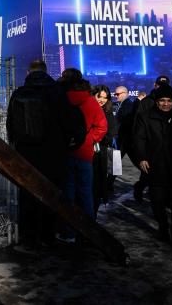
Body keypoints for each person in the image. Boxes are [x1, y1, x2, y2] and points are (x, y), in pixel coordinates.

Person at [6, 59, 73, 246]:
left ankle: (28, 236)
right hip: (54, 153)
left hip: (26, 153)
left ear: (29, 73)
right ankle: (47, 235)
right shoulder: (58, 93)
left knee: (28, 195)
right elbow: (67, 122)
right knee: (51, 195)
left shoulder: (19, 94)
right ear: (45, 71)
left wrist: (15, 147)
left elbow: (11, 125)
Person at [134, 84, 172, 253]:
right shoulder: (145, 117)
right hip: (156, 167)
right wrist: (142, 158)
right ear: (157, 101)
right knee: (158, 202)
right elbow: (139, 139)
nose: (166, 104)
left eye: (169, 101)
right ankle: (163, 228)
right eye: (162, 101)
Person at [57, 68, 107, 243]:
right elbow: (102, 127)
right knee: (86, 193)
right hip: (85, 153)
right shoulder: (90, 101)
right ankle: (89, 232)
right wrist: (89, 139)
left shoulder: (60, 99)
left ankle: (68, 232)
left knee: (67, 194)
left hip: (64, 151)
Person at [133, 75, 171, 202]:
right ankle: (140, 189)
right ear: (155, 85)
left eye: (165, 86)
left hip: (165, 144)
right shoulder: (146, 102)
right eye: (160, 85)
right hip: (150, 145)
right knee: (148, 173)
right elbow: (138, 126)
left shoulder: (170, 102)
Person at [91, 85, 116, 217]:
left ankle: (93, 214)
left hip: (102, 152)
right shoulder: (87, 109)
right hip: (87, 152)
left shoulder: (108, 112)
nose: (102, 100)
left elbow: (112, 132)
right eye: (99, 96)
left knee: (98, 183)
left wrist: (101, 136)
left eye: (105, 98)